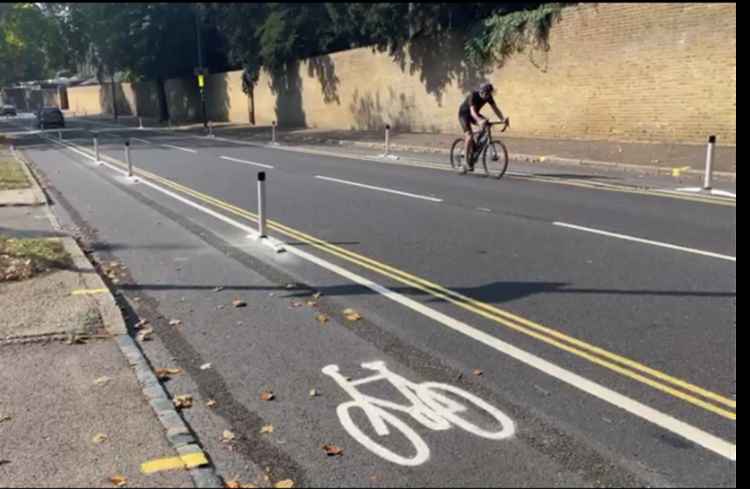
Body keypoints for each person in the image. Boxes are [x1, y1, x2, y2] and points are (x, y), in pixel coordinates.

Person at [458, 82, 505, 171]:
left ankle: (475, 146)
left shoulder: (488, 97)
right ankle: (466, 161)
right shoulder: (473, 95)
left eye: (490, 94)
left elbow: (496, 109)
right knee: (469, 135)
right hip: (464, 114)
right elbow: (472, 112)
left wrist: (502, 119)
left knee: (486, 125)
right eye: (487, 94)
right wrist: (480, 120)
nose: (488, 96)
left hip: (474, 114)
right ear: (482, 92)